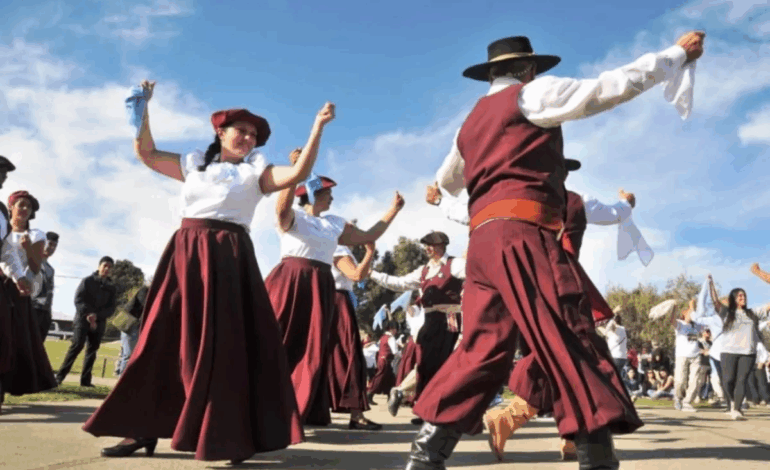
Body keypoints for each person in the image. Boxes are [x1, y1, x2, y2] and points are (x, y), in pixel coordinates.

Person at [405, 30, 706, 470]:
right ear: (527, 69)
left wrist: (464, 182)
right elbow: (606, 88)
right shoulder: (533, 94)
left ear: (491, 74)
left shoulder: (469, 124)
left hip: (483, 243)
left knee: (481, 347)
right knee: (570, 339)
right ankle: (597, 459)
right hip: (523, 236)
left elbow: (448, 178)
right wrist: (675, 56)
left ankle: (424, 457)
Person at [83, 80, 332, 464]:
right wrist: (143, 110)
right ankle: (140, 430)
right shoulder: (194, 163)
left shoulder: (256, 174)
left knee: (228, 345)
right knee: (162, 339)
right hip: (185, 253)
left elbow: (298, 172)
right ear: (221, 132)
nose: (248, 138)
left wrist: (317, 127)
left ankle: (231, 435)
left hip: (230, 258)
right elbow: (146, 153)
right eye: (241, 131)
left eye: (253, 135)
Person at [266, 166, 404, 428]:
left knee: (312, 351)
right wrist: (295, 173)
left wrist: (393, 210)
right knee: (277, 342)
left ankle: (298, 410)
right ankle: (259, 404)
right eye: (328, 193)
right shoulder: (294, 217)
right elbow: (280, 210)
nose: (332, 198)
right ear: (314, 193)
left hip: (320, 287)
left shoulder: (333, 223)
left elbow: (369, 235)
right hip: (290, 281)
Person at [369, 231, 464, 426]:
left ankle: (425, 405)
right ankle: (422, 406)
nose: (428, 248)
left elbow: (479, 273)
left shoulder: (455, 264)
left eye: (431, 244)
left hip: (451, 317)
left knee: (447, 362)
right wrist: (370, 273)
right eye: (426, 245)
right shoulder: (423, 270)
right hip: (430, 320)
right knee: (428, 364)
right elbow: (398, 282)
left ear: (442, 246)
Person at [0, 191, 57, 411]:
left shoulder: (36, 234)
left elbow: (35, 266)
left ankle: (5, 387)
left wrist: (27, 249)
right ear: (11, 207)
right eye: (20, 205)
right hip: (1, 287)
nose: (24, 209)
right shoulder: (3, 231)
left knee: (13, 340)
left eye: (28, 207)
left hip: (19, 293)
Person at [326, 241, 383, 430]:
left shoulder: (335, 248)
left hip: (336, 300)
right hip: (337, 301)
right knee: (349, 356)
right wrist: (370, 251)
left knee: (334, 356)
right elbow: (357, 275)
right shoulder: (339, 249)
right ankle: (356, 414)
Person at [706, 275, 770, 420]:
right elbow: (715, 301)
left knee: (741, 380)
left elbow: (768, 306)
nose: (743, 297)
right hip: (728, 351)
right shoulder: (727, 313)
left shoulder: (752, 313)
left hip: (748, 352)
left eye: (744, 295)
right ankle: (733, 402)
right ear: (733, 298)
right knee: (728, 380)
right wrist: (711, 284)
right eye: (739, 295)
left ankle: (736, 409)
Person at [55, 256, 117, 387]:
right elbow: (78, 300)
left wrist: (97, 316)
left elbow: (111, 308)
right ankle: (59, 377)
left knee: (92, 350)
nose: (107, 269)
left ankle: (85, 381)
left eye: (110, 267)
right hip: (82, 320)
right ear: (99, 266)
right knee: (76, 346)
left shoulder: (111, 287)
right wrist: (89, 314)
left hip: (99, 322)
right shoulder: (87, 281)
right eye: (105, 265)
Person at [0, 155, 23, 414]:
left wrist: (19, 277)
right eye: (1, 173)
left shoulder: (0, 213)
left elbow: (5, 251)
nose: (3, 179)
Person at [672, 299, 706, 412]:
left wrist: (694, 308)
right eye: (689, 312)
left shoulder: (697, 326)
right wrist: (675, 307)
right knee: (680, 380)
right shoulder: (680, 324)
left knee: (695, 380)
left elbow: (702, 319)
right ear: (684, 314)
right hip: (682, 356)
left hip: (695, 356)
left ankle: (687, 402)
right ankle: (678, 398)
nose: (691, 314)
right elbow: (671, 320)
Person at [114, 283, 149, 376]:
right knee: (128, 354)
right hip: (130, 324)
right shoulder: (145, 290)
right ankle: (122, 377)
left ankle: (118, 373)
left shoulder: (145, 290)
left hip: (128, 324)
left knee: (124, 353)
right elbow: (146, 306)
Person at [31, 232, 58, 341]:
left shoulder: (51, 269)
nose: (51, 248)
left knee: (38, 347)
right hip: (32, 310)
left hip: (45, 314)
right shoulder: (31, 261)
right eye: (50, 243)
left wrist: (48, 314)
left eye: (54, 246)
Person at [368, 321, 399, 403]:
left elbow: (379, 348)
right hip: (386, 361)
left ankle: (390, 397)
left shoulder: (382, 337)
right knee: (379, 378)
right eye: (395, 329)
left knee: (390, 379)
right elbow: (395, 351)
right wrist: (402, 354)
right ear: (392, 329)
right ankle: (369, 394)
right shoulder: (391, 338)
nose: (396, 331)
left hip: (382, 360)